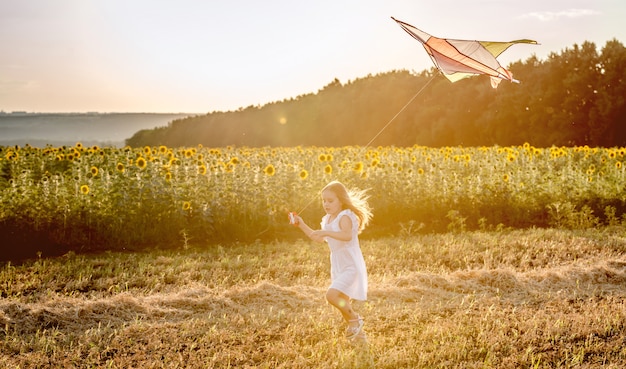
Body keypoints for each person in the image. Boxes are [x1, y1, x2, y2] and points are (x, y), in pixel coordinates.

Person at [293, 180, 372, 340]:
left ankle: (356, 319)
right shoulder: (327, 219)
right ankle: (358, 333)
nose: (326, 204)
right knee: (343, 300)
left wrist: (326, 233)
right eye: (324, 200)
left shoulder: (345, 216)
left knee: (332, 296)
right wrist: (301, 224)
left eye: (330, 200)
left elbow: (346, 235)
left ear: (341, 200)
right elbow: (317, 237)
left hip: (350, 264)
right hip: (338, 264)